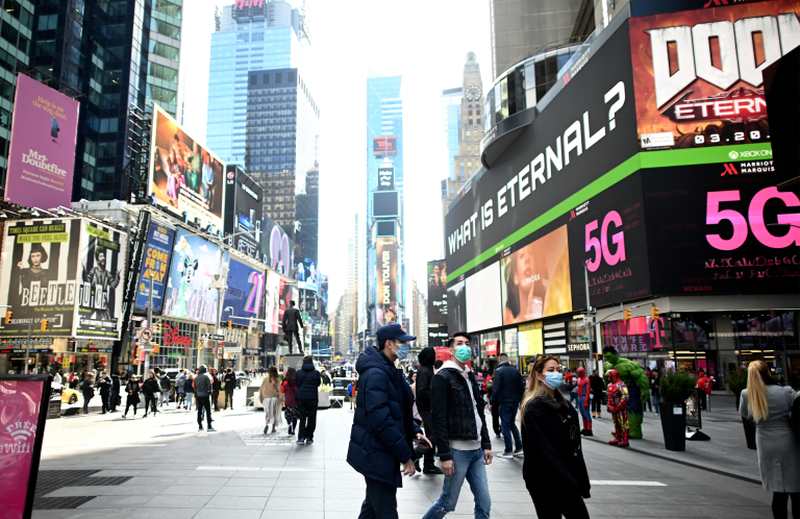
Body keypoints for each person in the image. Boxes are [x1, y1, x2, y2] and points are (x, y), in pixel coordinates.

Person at [346, 323, 430, 519]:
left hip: (381, 452)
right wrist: (405, 456)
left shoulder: (389, 369)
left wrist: (414, 430)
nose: (405, 346)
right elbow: (381, 421)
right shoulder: (377, 374)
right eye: (402, 342)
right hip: (376, 453)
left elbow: (398, 409)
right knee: (386, 511)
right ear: (389, 344)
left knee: (372, 508)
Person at [423, 332, 492, 519]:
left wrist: (486, 443)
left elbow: (479, 412)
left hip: (477, 451)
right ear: (451, 349)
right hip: (458, 452)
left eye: (467, 343)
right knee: (447, 502)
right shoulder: (443, 377)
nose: (465, 347)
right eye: (459, 343)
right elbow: (438, 418)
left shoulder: (469, 376)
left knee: (484, 502)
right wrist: (445, 455)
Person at [521, 355, 591, 518]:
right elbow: (543, 449)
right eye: (550, 370)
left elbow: (575, 445)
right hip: (545, 479)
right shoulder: (534, 407)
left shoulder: (564, 404)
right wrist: (569, 478)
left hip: (567, 475)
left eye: (558, 370)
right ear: (538, 375)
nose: (556, 374)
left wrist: (580, 477)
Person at [740, 360, 800, 519]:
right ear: (768, 372)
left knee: (777, 489)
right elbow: (796, 406)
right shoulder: (785, 392)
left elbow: (746, 415)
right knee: (795, 487)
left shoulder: (747, 394)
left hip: (765, 442)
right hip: (787, 439)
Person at [491, 353, 524, 458]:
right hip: (515, 401)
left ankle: (508, 450)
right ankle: (519, 447)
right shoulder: (515, 371)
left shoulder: (498, 371)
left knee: (505, 425)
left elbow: (495, 389)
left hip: (504, 401)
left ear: (500, 359)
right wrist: (520, 400)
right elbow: (521, 387)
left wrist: (492, 401)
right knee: (512, 423)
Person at [416, 347, 443, 475]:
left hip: (427, 408)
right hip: (427, 408)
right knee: (434, 435)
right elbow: (422, 391)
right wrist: (435, 394)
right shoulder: (425, 371)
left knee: (432, 434)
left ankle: (428, 463)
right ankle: (417, 454)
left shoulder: (426, 369)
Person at [295, 355, 321, 444]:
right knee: (312, 418)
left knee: (302, 418)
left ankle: (301, 438)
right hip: (313, 398)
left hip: (301, 399)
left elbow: (297, 384)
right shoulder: (316, 373)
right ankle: (309, 437)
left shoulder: (298, 373)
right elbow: (318, 384)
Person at [607, 368, 629, 447]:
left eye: (610, 376)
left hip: (621, 409)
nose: (609, 378)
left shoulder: (621, 384)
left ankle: (625, 439)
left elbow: (625, 396)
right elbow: (609, 397)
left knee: (623, 423)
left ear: (614, 376)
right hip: (613, 409)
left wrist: (619, 406)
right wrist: (609, 406)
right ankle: (618, 438)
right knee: (616, 423)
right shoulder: (609, 385)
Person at [260, 367, 282, 435]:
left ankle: (266, 425)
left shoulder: (265, 379)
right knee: (275, 414)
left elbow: (261, 389)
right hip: (274, 398)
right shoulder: (277, 380)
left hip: (266, 399)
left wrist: (261, 398)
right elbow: (280, 390)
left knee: (268, 413)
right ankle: (273, 428)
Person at [194, 365, 214, 432]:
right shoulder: (206, 377)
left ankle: (200, 426)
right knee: (208, 411)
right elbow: (209, 386)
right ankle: (209, 426)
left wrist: (196, 395)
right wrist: (210, 392)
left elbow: (195, 387)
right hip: (205, 395)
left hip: (198, 396)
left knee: (199, 411)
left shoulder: (196, 378)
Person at [575, 367, 593, 436]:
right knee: (583, 414)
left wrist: (586, 401)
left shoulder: (587, 380)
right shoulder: (579, 379)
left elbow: (588, 391)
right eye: (577, 372)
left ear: (582, 372)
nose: (578, 374)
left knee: (586, 414)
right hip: (580, 397)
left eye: (579, 372)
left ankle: (589, 429)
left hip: (584, 397)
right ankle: (585, 428)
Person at [281, 367, 298, 436]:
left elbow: (282, 390)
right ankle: (293, 429)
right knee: (295, 416)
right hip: (295, 401)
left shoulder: (285, 382)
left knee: (288, 415)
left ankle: (289, 424)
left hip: (288, 401)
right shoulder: (297, 381)